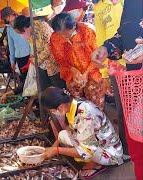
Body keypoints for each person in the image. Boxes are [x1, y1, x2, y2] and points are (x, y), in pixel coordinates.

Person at [91, 0, 143, 178]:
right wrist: (107, 48)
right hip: (136, 89)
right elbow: (125, 33)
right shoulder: (132, 3)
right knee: (138, 148)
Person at [41, 87, 123, 178]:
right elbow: (71, 130)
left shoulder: (85, 114)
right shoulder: (72, 104)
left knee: (86, 152)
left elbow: (86, 151)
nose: (54, 113)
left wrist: (57, 150)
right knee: (62, 135)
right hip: (95, 140)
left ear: (60, 107)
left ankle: (96, 164)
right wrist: (54, 146)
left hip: (110, 152)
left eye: (53, 111)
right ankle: (92, 160)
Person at [50, 12, 106, 110]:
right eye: (60, 34)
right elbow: (59, 59)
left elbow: (98, 56)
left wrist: (85, 74)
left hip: (93, 74)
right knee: (76, 106)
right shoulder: (54, 37)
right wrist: (73, 70)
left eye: (67, 33)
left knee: (95, 106)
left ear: (74, 26)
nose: (64, 37)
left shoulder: (87, 32)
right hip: (72, 77)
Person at [21, 7, 66, 91]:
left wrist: (37, 59)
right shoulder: (30, 32)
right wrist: (34, 58)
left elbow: (49, 47)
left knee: (58, 89)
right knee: (45, 90)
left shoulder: (42, 26)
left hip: (52, 64)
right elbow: (34, 48)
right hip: (42, 64)